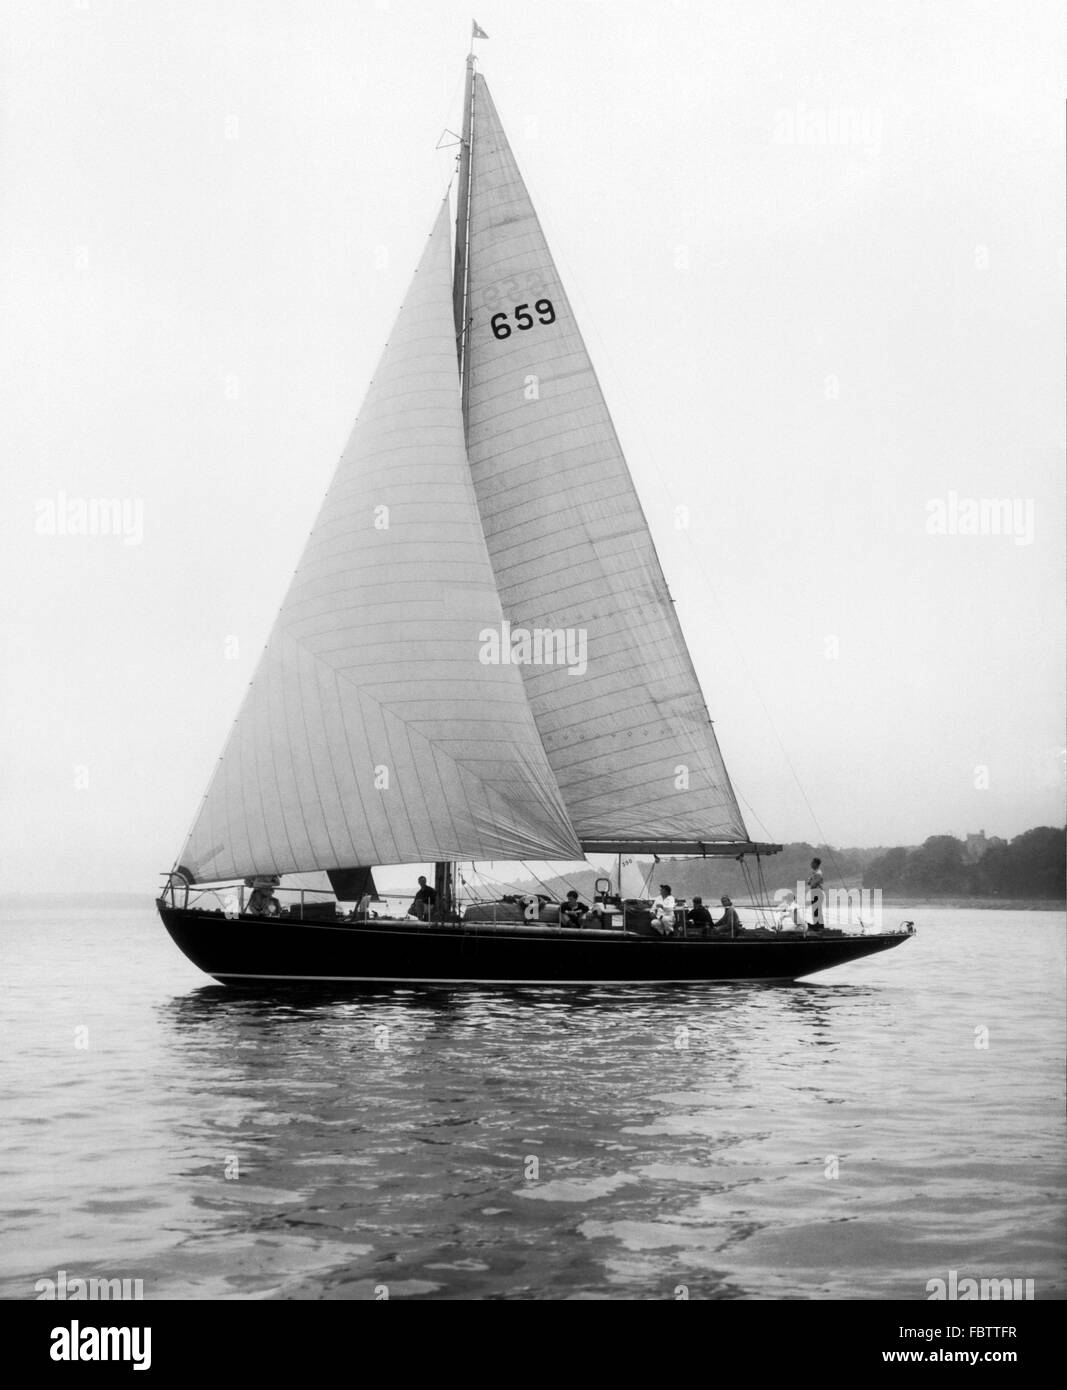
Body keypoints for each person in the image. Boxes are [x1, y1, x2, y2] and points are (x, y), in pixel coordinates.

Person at [806, 858, 825, 928]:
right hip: (815, 892)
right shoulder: (814, 872)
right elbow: (810, 882)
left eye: (812, 863)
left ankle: (818, 926)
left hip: (817, 892)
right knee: (815, 909)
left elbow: (813, 884)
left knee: (817, 909)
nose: (811, 864)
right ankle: (817, 925)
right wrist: (810, 881)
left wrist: (811, 881)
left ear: (816, 864)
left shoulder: (818, 873)